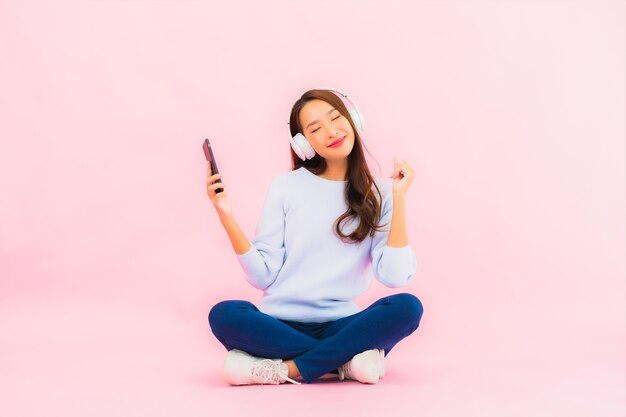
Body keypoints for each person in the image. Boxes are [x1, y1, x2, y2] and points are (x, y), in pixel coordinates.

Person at [206, 88, 424, 385]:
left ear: (353, 119)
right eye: (315, 128)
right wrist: (226, 216)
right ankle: (344, 362)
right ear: (303, 144)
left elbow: (396, 276)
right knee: (224, 314)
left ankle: (287, 370)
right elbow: (262, 276)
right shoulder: (286, 187)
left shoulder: (381, 196)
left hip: (343, 325)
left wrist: (398, 198)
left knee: (408, 308)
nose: (331, 131)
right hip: (277, 325)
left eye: (335, 118)